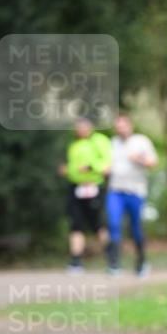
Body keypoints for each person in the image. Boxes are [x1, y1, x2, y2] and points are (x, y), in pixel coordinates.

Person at [106, 113, 158, 276]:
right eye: (117, 126)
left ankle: (141, 262)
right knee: (114, 224)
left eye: (123, 125)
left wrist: (138, 159)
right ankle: (114, 264)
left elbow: (152, 163)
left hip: (135, 191)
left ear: (130, 126)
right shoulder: (112, 143)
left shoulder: (141, 141)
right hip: (115, 191)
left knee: (135, 227)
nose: (120, 129)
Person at [58, 116, 111, 273]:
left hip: (94, 187)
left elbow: (107, 163)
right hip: (76, 188)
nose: (81, 130)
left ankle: (111, 256)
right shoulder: (73, 145)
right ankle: (76, 261)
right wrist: (67, 170)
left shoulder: (99, 141)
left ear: (91, 127)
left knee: (98, 224)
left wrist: (91, 167)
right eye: (78, 127)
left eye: (84, 126)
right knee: (76, 224)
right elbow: (73, 167)